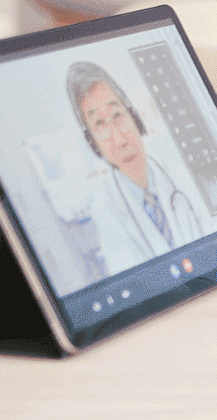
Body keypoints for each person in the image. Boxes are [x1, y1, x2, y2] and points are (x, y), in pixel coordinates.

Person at [66, 61, 205, 275]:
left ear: (134, 115)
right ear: (92, 141)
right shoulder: (106, 211)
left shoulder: (180, 175)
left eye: (118, 115)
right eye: (100, 125)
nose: (120, 139)